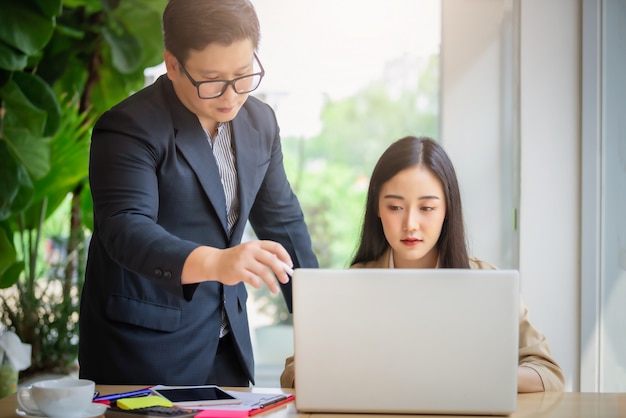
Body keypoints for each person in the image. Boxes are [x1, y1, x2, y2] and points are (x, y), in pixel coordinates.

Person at [79, 0, 318, 387]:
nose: (231, 95)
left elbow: (283, 222)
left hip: (228, 343)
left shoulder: (260, 122)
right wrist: (216, 263)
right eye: (212, 79)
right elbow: (125, 228)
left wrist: (319, 322)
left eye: (243, 75)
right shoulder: (128, 127)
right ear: (173, 65)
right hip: (143, 346)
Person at [280, 136, 564, 392]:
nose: (410, 225)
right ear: (377, 209)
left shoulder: (488, 283)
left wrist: (476, 377)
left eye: (427, 208)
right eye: (395, 207)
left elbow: (548, 373)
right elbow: (293, 372)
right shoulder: (351, 285)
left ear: (447, 210)